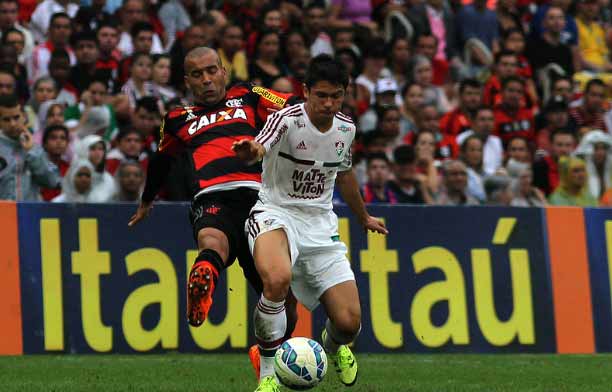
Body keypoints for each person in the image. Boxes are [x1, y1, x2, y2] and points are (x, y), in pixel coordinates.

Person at [232, 54, 387, 392]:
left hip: (319, 224)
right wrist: (249, 150)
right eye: (321, 95)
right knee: (277, 280)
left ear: (345, 93)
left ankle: (331, 348)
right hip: (275, 212)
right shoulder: (286, 120)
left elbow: (343, 174)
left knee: (349, 323)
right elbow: (261, 145)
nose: (329, 103)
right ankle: (268, 376)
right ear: (306, 92)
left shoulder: (346, 129)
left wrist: (363, 218)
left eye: (336, 95)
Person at [128, 47, 300, 337]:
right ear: (187, 81)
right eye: (197, 74)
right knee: (212, 241)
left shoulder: (248, 94)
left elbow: (292, 105)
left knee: (282, 297)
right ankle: (204, 276)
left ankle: (271, 354)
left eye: (211, 71)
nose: (206, 79)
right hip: (213, 195)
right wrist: (146, 200)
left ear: (223, 72)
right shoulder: (177, 118)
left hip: (261, 201)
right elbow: (161, 161)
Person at [0, 94, 59, 200]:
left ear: (24, 117)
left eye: (16, 117)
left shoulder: (35, 147)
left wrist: (32, 151)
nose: (13, 124)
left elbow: (52, 181)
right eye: (6, 119)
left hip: (30, 214)